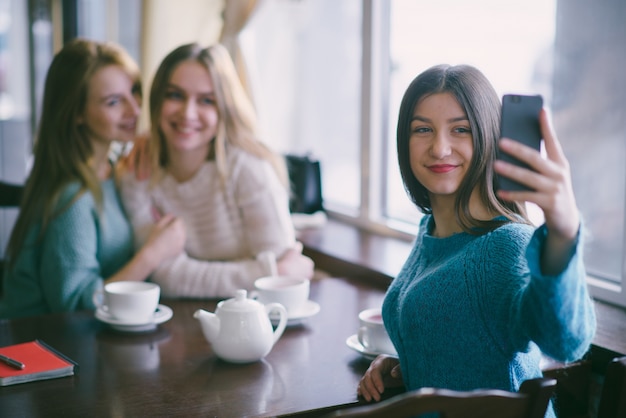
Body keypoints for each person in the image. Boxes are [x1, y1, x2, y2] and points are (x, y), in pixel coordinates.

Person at [356, 64, 596, 417]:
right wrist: (407, 364)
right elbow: (465, 340)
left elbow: (566, 342)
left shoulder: (506, 244)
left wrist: (563, 232)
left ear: (487, 138)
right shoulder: (430, 230)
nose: (440, 148)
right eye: (423, 129)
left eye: (461, 130)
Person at [0, 38, 185, 319]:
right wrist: (152, 254)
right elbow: (75, 306)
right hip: (38, 348)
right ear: (76, 114)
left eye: (134, 91)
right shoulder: (72, 197)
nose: (135, 110)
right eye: (114, 102)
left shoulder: (110, 168)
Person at [118, 43, 314, 298]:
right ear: (157, 100)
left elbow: (283, 282)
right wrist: (263, 273)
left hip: (255, 321)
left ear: (224, 108)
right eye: (175, 95)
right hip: (178, 324)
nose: (188, 113)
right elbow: (163, 276)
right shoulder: (138, 169)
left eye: (206, 100)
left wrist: (275, 274)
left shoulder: (249, 168)